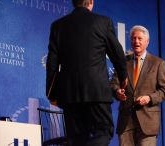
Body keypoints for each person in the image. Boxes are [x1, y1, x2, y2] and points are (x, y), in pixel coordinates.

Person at [46, 0, 128, 146]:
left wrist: (51, 93)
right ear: (91, 2)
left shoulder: (57, 26)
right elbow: (118, 54)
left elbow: (52, 64)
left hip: (70, 95)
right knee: (103, 131)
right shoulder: (103, 22)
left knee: (76, 139)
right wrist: (123, 77)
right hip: (97, 93)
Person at [110, 25, 165, 146]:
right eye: (133, 38)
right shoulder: (123, 62)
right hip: (125, 123)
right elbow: (113, 84)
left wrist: (149, 98)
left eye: (139, 38)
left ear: (147, 42)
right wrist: (117, 91)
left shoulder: (158, 63)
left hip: (148, 122)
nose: (136, 41)